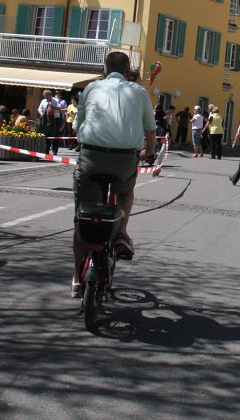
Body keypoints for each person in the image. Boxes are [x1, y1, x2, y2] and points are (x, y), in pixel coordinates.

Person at [70, 51, 155, 298]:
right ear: (128, 72)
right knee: (125, 189)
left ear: (104, 70)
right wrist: (148, 152)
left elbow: (78, 124)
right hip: (125, 158)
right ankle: (121, 231)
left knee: (82, 219)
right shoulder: (139, 92)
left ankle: (77, 279)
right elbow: (150, 130)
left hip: (92, 156)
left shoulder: (92, 88)